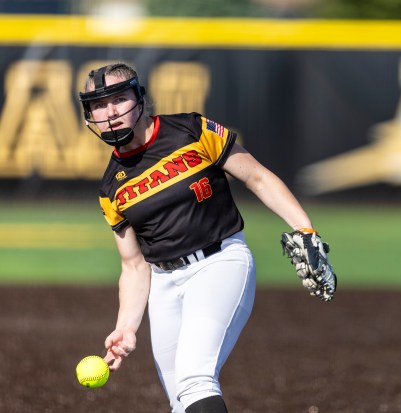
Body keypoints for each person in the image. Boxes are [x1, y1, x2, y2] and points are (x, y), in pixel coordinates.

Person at [78, 62, 321, 413]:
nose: (110, 112)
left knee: (195, 378)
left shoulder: (190, 129)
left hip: (219, 264)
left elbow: (258, 178)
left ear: (140, 98)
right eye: (98, 105)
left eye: (118, 98)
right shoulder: (110, 186)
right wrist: (126, 327)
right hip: (164, 284)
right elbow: (133, 266)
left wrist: (305, 228)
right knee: (182, 401)